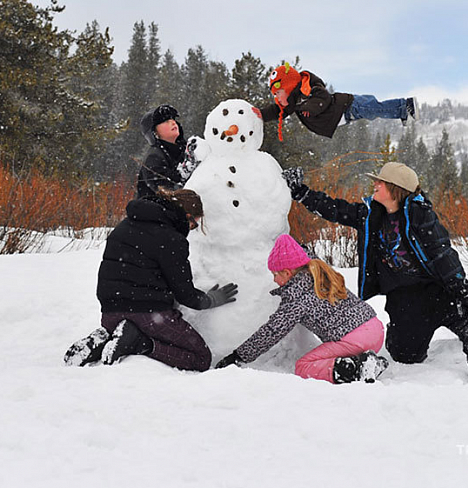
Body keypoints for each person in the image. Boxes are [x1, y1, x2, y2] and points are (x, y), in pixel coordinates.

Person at [280, 162, 468, 380]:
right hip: (405, 301)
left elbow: (442, 253)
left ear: (396, 189)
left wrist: (462, 290)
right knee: (404, 356)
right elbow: (336, 210)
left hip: (437, 291)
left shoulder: (420, 215)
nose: (375, 184)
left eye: (381, 182)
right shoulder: (370, 215)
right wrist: (301, 192)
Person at [64, 188, 238, 371]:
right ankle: (139, 343)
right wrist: (211, 299)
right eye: (194, 225)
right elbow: (185, 295)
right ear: (187, 216)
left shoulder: (124, 226)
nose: (191, 230)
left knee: (122, 327)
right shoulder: (171, 239)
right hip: (148, 316)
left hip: (109, 312)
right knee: (201, 358)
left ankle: (105, 339)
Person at [216, 234, 389, 384]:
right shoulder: (315, 268)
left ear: (288, 273)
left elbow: (272, 331)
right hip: (375, 329)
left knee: (304, 366)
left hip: (354, 340)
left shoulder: (296, 295)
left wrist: (238, 356)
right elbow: (303, 253)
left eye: (276, 274)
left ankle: (358, 369)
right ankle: (365, 361)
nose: (274, 280)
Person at [253, 62, 418, 141]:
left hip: (347, 105)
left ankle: (406, 105)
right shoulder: (293, 102)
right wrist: (261, 114)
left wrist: (309, 107)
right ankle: (402, 110)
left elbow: (323, 98)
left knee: (374, 108)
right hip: (345, 114)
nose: (278, 98)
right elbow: (277, 111)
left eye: (279, 93)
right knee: (375, 112)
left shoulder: (308, 88)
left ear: (289, 86)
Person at [137, 104, 199, 198]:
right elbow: (168, 191)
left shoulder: (187, 148)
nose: (173, 123)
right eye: (166, 121)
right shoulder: (153, 158)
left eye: (173, 119)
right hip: (163, 209)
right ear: (154, 132)